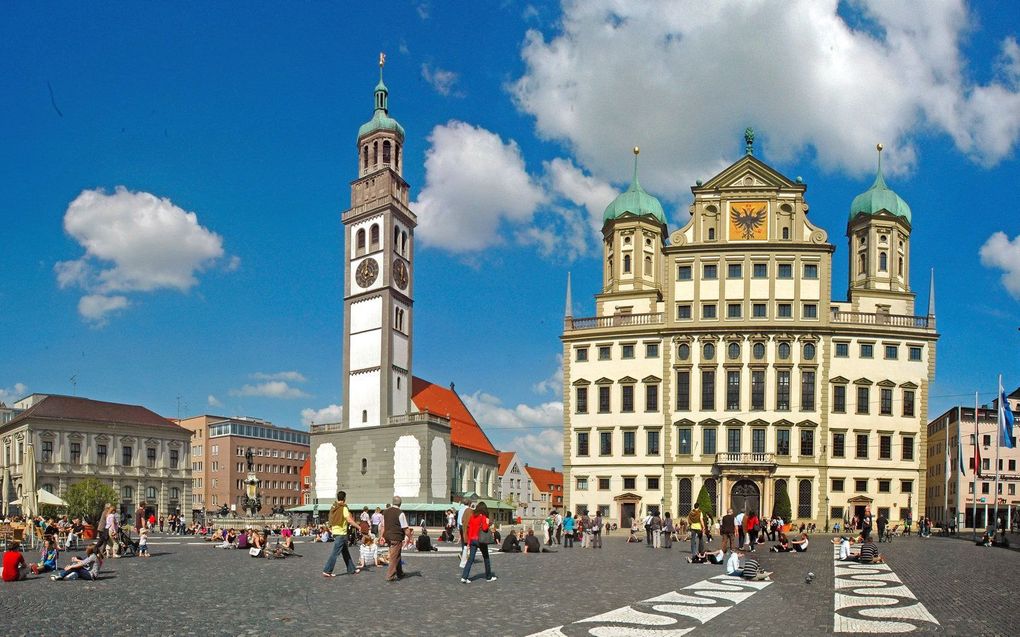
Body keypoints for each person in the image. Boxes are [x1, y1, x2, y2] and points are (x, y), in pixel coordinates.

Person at [321, 490, 358, 578]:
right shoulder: (343, 508)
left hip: (336, 532)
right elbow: (349, 519)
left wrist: (330, 527)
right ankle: (327, 570)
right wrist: (358, 526)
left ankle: (351, 569)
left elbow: (330, 518)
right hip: (341, 533)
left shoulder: (334, 507)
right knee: (335, 553)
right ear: (344, 498)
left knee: (345, 552)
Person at [460, 501, 496, 583]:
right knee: (486, 558)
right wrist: (487, 523)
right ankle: (488, 577)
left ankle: (464, 577)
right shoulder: (482, 517)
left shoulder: (472, 516)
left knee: (470, 559)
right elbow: (484, 528)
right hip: (480, 540)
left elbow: (470, 529)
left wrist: (469, 542)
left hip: (472, 540)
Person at [381, 496, 413, 582]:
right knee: (394, 556)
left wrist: (381, 536)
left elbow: (383, 526)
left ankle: (400, 573)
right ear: (400, 503)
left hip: (387, 536)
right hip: (396, 537)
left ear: (392, 502)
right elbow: (405, 528)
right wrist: (410, 538)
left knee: (396, 554)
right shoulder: (400, 513)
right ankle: (390, 575)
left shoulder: (385, 512)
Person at [458, 500, 475, 569]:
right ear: (469, 503)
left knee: (463, 542)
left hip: (461, 526)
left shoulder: (460, 509)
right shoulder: (469, 510)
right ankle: (465, 557)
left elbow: (458, 520)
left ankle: (463, 554)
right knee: (467, 541)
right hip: (466, 526)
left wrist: (458, 528)